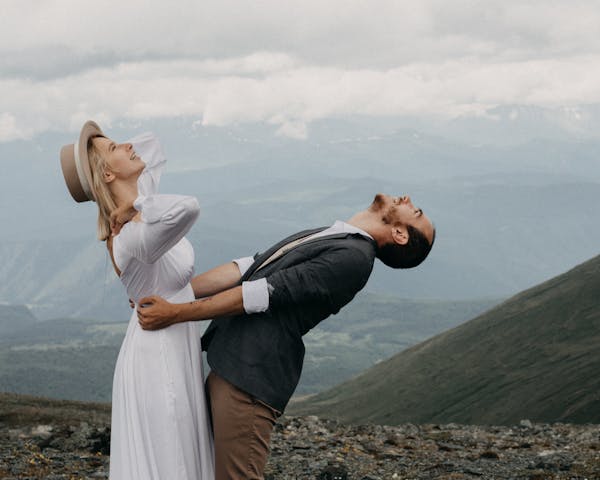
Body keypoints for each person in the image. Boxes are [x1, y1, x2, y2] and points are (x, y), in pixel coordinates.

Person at [135, 193, 435, 479]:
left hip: (249, 384)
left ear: (400, 234)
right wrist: (172, 295)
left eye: (416, 212)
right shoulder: (343, 237)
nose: (408, 199)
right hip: (231, 369)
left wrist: (174, 313)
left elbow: (261, 293)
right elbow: (250, 267)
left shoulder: (354, 258)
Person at [59, 121, 214, 480]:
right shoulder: (133, 235)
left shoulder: (143, 208)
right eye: (116, 147)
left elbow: (153, 145)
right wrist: (136, 203)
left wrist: (122, 181)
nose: (130, 144)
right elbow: (189, 207)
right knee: (172, 457)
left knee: (178, 452)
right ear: (109, 173)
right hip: (158, 359)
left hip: (170, 346)